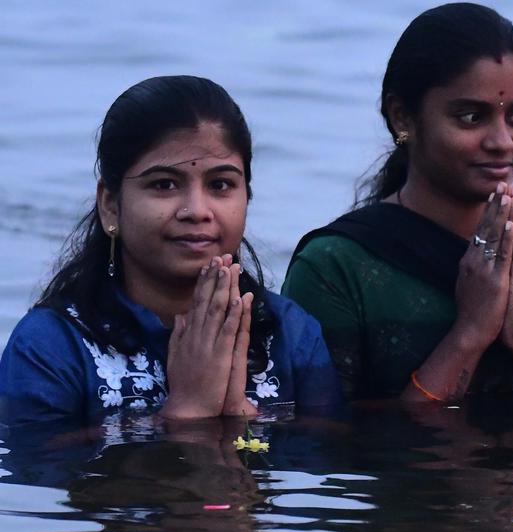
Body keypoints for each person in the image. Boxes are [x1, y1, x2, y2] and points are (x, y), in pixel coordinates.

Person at [282, 2, 513, 403]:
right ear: (402, 117)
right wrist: (470, 334)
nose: (502, 142)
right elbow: (330, 443)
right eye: (471, 117)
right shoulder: (337, 268)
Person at [0, 75, 340, 426]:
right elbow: (36, 469)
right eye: (164, 185)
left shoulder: (290, 335)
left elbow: (322, 459)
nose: (196, 210)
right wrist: (188, 413)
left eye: (220, 185)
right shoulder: (51, 346)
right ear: (111, 206)